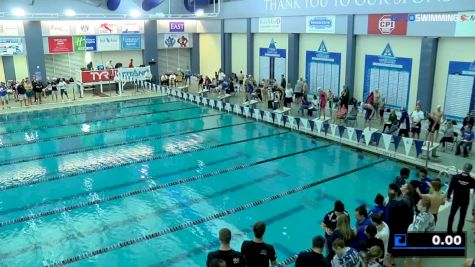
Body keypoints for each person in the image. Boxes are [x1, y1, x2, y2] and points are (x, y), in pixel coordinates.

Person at [405, 198, 435, 267]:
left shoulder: (421, 219)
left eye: (419, 204)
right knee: (421, 258)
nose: (416, 204)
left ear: (424, 207)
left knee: (408, 259)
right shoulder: (431, 215)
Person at [447, 163, 475, 233]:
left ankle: (449, 230)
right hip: (465, 200)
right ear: (470, 170)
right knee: (462, 216)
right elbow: (472, 186)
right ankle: (459, 231)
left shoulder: (455, 177)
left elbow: (450, 187)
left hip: (456, 199)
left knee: (452, 215)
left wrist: (448, 196)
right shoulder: (472, 180)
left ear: (463, 168)